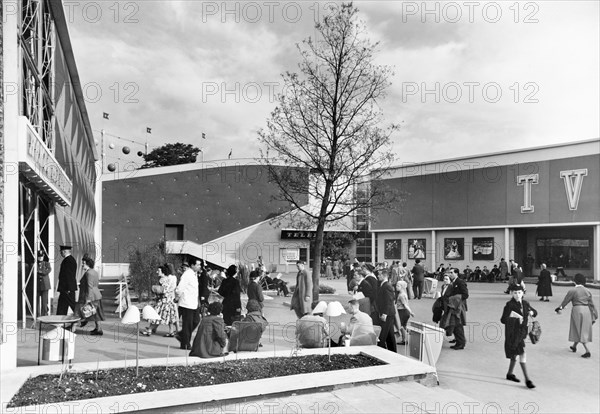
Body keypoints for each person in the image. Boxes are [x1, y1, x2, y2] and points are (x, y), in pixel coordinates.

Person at [501, 284, 537, 389]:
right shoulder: (509, 305)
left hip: (522, 333)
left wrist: (532, 312)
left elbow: (535, 312)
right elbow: (503, 319)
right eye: (515, 293)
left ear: (523, 293)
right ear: (512, 293)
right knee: (522, 353)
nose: (517, 295)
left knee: (515, 354)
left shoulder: (526, 303)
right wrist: (515, 319)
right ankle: (527, 380)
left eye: (519, 293)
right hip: (513, 333)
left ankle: (509, 373)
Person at [555, 273, 598, 358]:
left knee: (578, 329)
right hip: (586, 310)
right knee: (582, 328)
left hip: (577, 310)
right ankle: (574, 346)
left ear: (575, 281)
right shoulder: (587, 290)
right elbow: (592, 303)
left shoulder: (572, 290)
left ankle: (587, 350)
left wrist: (559, 308)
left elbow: (565, 301)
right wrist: (595, 314)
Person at [141, 264, 179, 337]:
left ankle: (150, 329)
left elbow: (164, 290)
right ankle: (171, 331)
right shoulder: (172, 278)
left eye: (159, 271)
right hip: (169, 300)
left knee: (157, 314)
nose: (157, 272)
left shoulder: (165, 279)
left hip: (164, 301)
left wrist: (155, 289)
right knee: (170, 316)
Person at [175, 259, 200, 350]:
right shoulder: (187, 274)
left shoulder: (194, 274)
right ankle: (185, 344)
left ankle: (181, 335)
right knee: (187, 324)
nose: (199, 266)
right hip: (186, 303)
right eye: (197, 265)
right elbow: (180, 288)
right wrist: (177, 296)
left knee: (196, 321)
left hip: (194, 303)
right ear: (192, 265)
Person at [440, 268, 469, 350]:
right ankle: (458, 341)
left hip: (457, 307)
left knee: (457, 324)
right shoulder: (453, 282)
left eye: (451, 272)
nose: (450, 274)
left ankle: (461, 343)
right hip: (453, 306)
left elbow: (465, 294)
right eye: (449, 272)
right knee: (454, 324)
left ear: (456, 273)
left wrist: (455, 298)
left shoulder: (460, 282)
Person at [78, 256, 105, 335]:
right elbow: (96, 283)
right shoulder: (94, 272)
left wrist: (88, 299)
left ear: (87, 264)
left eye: (83, 263)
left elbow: (89, 286)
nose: (82, 265)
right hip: (96, 294)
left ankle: (96, 328)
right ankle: (98, 329)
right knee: (96, 312)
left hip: (91, 296)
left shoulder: (88, 273)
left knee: (90, 311)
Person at [376, 269, 397, 352]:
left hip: (387, 313)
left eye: (379, 275)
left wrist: (385, 313)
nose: (378, 276)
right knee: (389, 335)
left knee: (383, 334)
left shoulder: (386, 286)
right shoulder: (384, 285)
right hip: (388, 313)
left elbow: (389, 301)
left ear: (384, 275)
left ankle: (380, 351)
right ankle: (393, 351)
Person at [56, 245, 78, 315]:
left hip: (67, 288)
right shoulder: (70, 259)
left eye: (61, 252)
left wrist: (68, 288)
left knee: (72, 304)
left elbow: (69, 275)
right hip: (65, 288)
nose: (60, 254)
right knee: (62, 306)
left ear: (64, 252)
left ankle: (83, 317)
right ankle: (60, 322)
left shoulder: (68, 260)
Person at [395, 280, 414, 345]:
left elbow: (405, 305)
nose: (396, 287)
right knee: (404, 325)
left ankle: (404, 340)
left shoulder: (401, 295)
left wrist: (411, 312)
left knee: (401, 326)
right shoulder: (404, 293)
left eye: (398, 286)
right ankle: (406, 335)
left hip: (402, 311)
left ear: (402, 287)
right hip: (405, 312)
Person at [37, 252, 52, 316]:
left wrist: (40, 272)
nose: (40, 258)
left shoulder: (46, 264)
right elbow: (33, 273)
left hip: (45, 285)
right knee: (36, 301)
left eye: (41, 256)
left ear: (43, 256)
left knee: (44, 301)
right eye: (39, 256)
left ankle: (44, 314)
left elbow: (48, 270)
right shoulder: (34, 264)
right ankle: (36, 314)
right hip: (37, 284)